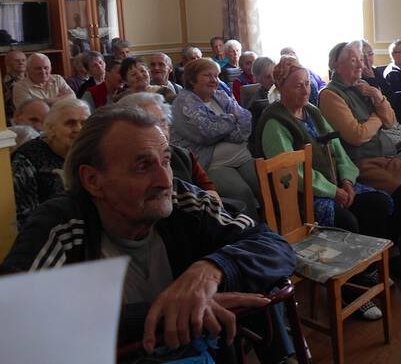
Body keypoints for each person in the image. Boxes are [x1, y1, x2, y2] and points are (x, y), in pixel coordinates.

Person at [2, 106, 296, 360]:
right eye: (142, 166)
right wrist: (161, 312)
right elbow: (14, 319)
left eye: (166, 160)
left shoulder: (182, 200)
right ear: (93, 180)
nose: (165, 179)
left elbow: (274, 246)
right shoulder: (62, 223)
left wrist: (209, 270)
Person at [256, 55, 392, 319]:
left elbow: (338, 149)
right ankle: (349, 293)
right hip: (299, 200)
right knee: (348, 222)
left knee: (380, 203)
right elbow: (292, 174)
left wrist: (347, 181)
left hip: (334, 186)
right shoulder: (275, 122)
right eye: (297, 85)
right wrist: (333, 191)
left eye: (307, 83)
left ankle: (365, 273)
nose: (306, 89)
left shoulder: (312, 111)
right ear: (281, 88)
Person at [320, 42, 401, 277]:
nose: (361, 64)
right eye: (353, 60)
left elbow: (391, 121)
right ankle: (390, 254)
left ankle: (396, 245)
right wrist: (376, 118)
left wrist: (377, 96)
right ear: (335, 65)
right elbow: (357, 135)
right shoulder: (330, 95)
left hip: (384, 156)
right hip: (359, 163)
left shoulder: (363, 88)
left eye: (361, 59)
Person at [118, 92, 251, 217]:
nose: (160, 133)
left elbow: (211, 196)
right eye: (149, 125)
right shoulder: (121, 168)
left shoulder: (183, 157)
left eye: (163, 123)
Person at [171, 58, 260, 219]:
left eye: (216, 75)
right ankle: (252, 236)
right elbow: (206, 133)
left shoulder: (220, 96)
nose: (214, 80)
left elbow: (246, 119)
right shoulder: (182, 103)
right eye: (208, 75)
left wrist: (226, 130)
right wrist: (231, 120)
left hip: (241, 156)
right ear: (192, 79)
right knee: (242, 192)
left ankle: (279, 227)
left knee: (264, 183)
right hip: (211, 163)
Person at [11, 98, 90, 228]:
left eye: (84, 123)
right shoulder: (27, 158)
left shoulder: (89, 153)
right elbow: (24, 215)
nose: (79, 129)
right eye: (70, 123)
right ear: (51, 128)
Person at [3, 49, 26, 123]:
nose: (21, 63)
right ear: (7, 63)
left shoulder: (34, 78)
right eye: (17, 60)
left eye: (23, 60)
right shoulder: (3, 84)